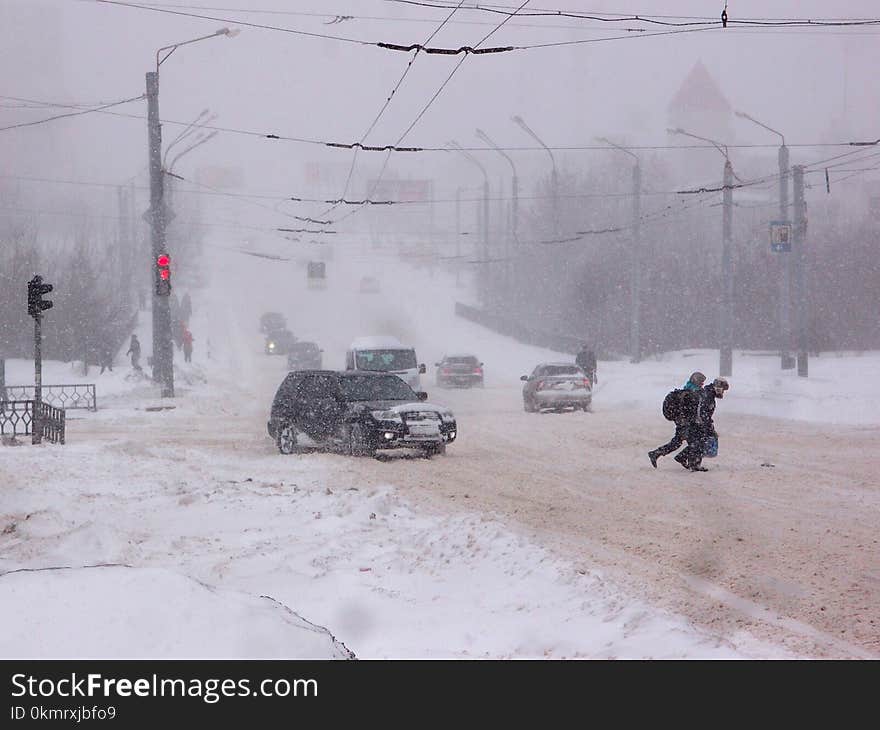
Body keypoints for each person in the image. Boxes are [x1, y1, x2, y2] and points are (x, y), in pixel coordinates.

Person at [648, 372, 705, 468]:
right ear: (696, 381)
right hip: (684, 422)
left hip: (681, 421)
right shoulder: (691, 392)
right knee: (695, 442)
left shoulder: (688, 390)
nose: (702, 384)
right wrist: (692, 421)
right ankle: (692, 463)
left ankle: (656, 453)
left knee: (678, 442)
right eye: (701, 382)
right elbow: (690, 410)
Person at [678, 377, 730, 472]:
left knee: (698, 442)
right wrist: (707, 426)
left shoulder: (708, 392)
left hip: (696, 421)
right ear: (719, 387)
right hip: (697, 422)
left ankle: (687, 459)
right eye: (723, 390)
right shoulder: (708, 395)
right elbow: (703, 412)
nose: (723, 393)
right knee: (701, 443)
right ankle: (693, 463)